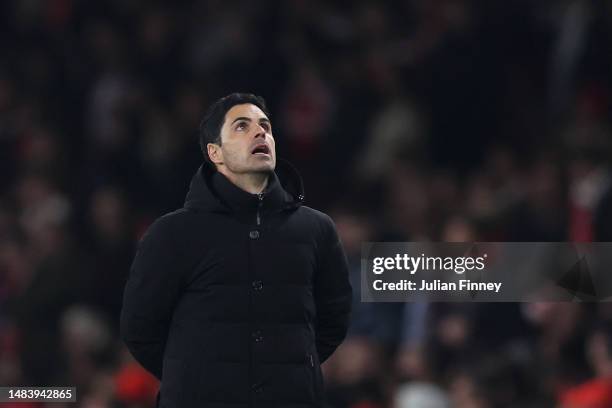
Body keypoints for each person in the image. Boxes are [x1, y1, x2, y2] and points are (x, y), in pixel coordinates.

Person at [120, 93, 352, 407]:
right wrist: (196, 376)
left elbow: (333, 321)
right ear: (214, 152)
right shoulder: (170, 234)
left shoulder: (318, 229)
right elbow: (140, 329)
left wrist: (289, 372)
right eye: (242, 126)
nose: (261, 133)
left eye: (266, 127)